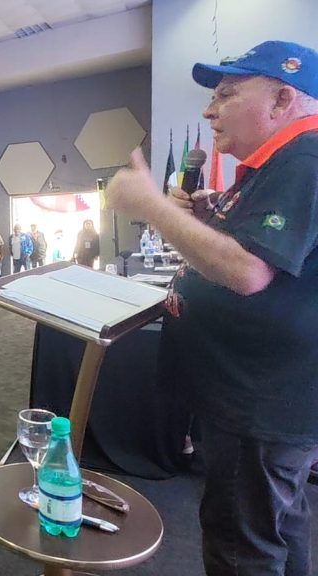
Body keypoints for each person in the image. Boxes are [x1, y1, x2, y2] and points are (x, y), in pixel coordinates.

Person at [103, 40, 318, 576]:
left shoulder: (304, 157)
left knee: (241, 548)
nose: (209, 110)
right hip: (257, 398)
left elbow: (248, 272)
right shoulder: (276, 165)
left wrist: (153, 207)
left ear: (282, 100)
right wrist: (204, 222)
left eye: (226, 94)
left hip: (259, 402)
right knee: (276, 528)